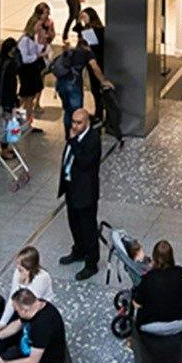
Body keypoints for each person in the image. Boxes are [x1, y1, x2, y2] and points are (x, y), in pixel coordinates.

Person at [57, 106, 102, 280]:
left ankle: (91, 263)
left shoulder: (92, 139)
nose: (74, 126)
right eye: (73, 122)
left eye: (78, 122)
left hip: (85, 191)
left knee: (88, 227)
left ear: (87, 122)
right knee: (74, 223)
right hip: (71, 187)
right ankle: (79, 250)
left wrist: (73, 141)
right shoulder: (73, 136)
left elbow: (84, 162)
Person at [131, 239, 182, 337]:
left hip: (152, 325)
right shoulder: (180, 272)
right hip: (181, 321)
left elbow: (137, 304)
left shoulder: (148, 278)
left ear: (154, 257)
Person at [17, 4, 56, 131]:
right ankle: (18, 119)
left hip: (33, 68)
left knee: (31, 96)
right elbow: (25, 58)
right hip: (27, 70)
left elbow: (39, 48)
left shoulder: (34, 38)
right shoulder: (25, 40)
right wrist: (39, 54)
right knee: (26, 96)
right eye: (39, 27)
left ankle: (28, 122)